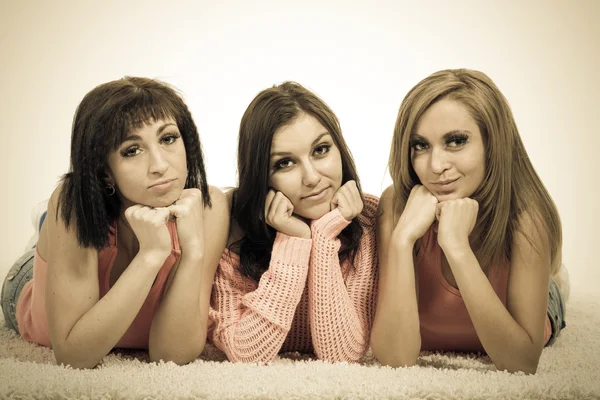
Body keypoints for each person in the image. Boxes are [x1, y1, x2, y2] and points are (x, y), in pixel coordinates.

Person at [1, 77, 229, 369]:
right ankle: (46, 231)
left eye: (168, 138)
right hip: (28, 283)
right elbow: (74, 355)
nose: (160, 165)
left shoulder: (209, 206)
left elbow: (172, 356)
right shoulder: (73, 202)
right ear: (104, 172)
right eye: (132, 150)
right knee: (58, 226)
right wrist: (151, 254)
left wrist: (194, 250)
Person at [371, 69, 567, 374]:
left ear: (493, 143)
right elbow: (396, 359)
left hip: (533, 302)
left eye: (456, 141)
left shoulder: (527, 216)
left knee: (553, 288)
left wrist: (456, 245)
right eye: (420, 145)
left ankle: (553, 278)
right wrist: (402, 240)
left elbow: (522, 362)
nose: (436, 166)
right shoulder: (397, 205)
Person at [208, 81, 378, 363]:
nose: (311, 177)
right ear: (262, 176)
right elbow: (246, 354)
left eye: (321, 150)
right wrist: (295, 240)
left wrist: (323, 238)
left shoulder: (370, 218)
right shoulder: (228, 227)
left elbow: (344, 356)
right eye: (285, 163)